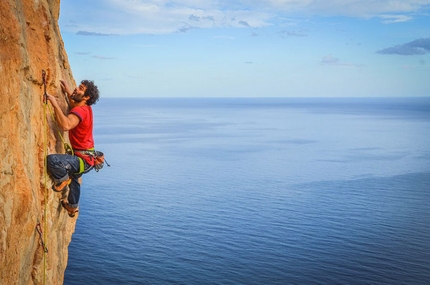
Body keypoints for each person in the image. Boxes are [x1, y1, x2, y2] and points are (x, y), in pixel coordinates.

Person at [45, 79, 99, 217]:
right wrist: (69, 91)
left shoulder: (81, 111)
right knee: (75, 179)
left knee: (53, 160)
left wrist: (54, 102)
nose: (76, 89)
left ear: (86, 97)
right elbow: (74, 103)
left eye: (80, 88)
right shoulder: (86, 108)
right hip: (86, 159)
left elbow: (66, 125)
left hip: (82, 160)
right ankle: (72, 206)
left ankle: (63, 179)